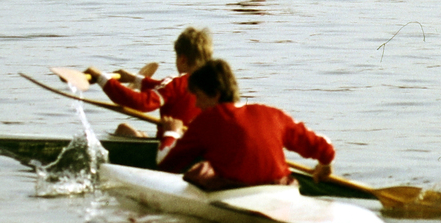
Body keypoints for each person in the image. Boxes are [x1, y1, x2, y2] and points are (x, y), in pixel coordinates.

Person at [159, 59, 334, 190]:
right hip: (282, 189)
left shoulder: (206, 120)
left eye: (198, 96)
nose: (196, 105)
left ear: (216, 94)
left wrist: (171, 134)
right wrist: (324, 165)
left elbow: (167, 167)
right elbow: (324, 147)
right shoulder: (272, 114)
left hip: (236, 192)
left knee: (199, 171)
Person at [85, 27, 213, 144]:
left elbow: (142, 103)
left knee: (123, 129)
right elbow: (163, 87)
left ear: (182, 59)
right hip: (204, 147)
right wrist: (133, 78)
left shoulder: (176, 83)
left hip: (172, 149)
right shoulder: (216, 83)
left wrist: (102, 78)